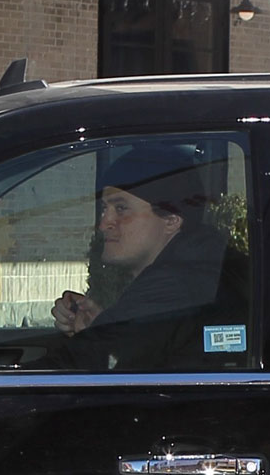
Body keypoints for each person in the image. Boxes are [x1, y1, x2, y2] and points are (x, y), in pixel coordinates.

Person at [50, 143, 240, 371]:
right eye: (104, 209)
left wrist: (100, 333)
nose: (103, 224)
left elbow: (83, 367)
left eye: (121, 209)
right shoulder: (192, 272)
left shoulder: (174, 286)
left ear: (171, 220)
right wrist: (102, 324)